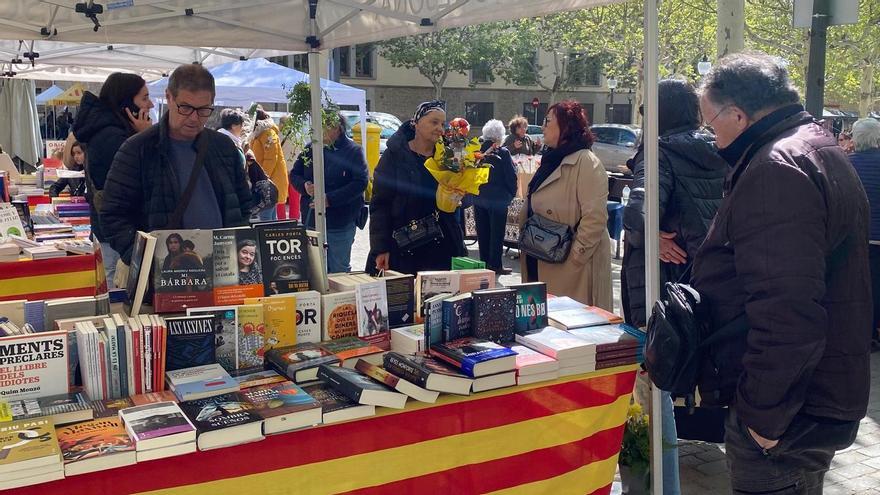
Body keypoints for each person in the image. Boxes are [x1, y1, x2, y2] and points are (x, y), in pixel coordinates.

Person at [692, 52, 870, 494]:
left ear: (738, 114)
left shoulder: (777, 167)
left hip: (786, 414)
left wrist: (762, 418)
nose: (712, 140)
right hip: (808, 400)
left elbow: (787, 309)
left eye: (712, 126)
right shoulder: (813, 146)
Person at [621, 79, 727, 495]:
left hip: (663, 289)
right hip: (706, 281)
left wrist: (650, 234)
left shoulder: (660, 151)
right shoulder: (721, 148)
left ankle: (659, 483)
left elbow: (638, 215)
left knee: (654, 380)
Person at [100, 64, 254, 266]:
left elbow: (243, 205)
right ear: (169, 97)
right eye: (186, 107)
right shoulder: (137, 149)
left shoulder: (224, 147)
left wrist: (237, 250)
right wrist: (144, 260)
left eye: (203, 110)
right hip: (165, 271)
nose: (194, 118)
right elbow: (112, 215)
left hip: (222, 267)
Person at [519, 101, 612, 309]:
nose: (542, 127)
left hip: (568, 267)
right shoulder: (552, 159)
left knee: (567, 329)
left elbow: (595, 217)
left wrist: (575, 259)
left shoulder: (585, 161)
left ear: (566, 125)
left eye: (547, 121)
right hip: (540, 255)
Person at [72, 72, 154, 287]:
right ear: (127, 103)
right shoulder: (114, 137)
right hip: (120, 234)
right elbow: (141, 181)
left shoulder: (109, 131)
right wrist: (146, 137)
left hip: (111, 231)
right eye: (144, 98)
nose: (151, 104)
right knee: (119, 290)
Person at [370, 101, 467, 274]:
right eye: (434, 122)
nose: (439, 128)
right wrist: (380, 248)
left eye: (442, 124)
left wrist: (459, 196)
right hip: (405, 245)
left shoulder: (450, 156)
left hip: (443, 244)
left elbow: (463, 197)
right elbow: (380, 204)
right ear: (416, 123)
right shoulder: (395, 155)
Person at [290, 113, 368, 273]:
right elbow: (294, 174)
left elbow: (360, 182)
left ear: (337, 128)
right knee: (314, 270)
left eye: (322, 126)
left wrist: (329, 199)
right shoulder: (310, 148)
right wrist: (304, 186)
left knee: (339, 269)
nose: (317, 131)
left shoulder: (353, 151)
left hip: (340, 220)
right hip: (311, 219)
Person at [847, 117, 880, 347]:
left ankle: (857, 332)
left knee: (854, 286)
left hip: (852, 237)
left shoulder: (844, 163)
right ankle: (873, 332)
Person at [473, 119, 517, 275]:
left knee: (482, 232)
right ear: (499, 136)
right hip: (498, 199)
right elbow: (511, 176)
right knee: (496, 233)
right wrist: (511, 195)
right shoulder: (502, 152)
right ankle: (496, 265)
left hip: (479, 197)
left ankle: (484, 263)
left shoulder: (476, 152)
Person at [248, 108, 290, 221]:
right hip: (269, 179)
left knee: (266, 216)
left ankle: (267, 238)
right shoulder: (260, 134)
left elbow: (271, 158)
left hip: (270, 180)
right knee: (269, 215)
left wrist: (262, 178)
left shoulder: (268, 134)